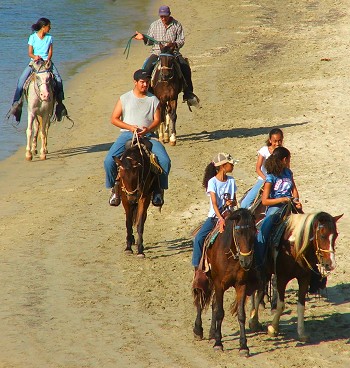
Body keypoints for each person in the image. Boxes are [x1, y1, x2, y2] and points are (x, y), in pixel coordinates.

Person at [104, 69, 171, 207]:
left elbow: (157, 120)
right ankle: (114, 189)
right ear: (135, 82)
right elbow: (114, 119)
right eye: (142, 82)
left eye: (147, 82)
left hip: (148, 136)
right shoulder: (124, 98)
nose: (145, 85)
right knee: (108, 161)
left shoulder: (153, 99)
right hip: (127, 134)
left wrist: (148, 129)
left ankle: (159, 190)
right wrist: (130, 127)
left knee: (165, 160)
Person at [133, 5, 199, 105]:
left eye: (165, 16)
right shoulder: (154, 25)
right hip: (157, 53)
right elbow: (150, 41)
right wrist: (143, 38)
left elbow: (181, 40)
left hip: (173, 53)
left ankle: (188, 93)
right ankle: (146, 94)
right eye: (161, 16)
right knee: (145, 69)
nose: (163, 18)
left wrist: (175, 44)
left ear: (169, 15)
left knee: (185, 67)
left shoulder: (177, 25)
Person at [7, 17, 68, 122]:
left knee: (58, 79)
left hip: (46, 63)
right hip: (34, 63)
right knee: (21, 81)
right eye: (49, 26)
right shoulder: (32, 37)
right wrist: (35, 57)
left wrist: (48, 60)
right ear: (43, 27)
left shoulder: (49, 37)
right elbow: (30, 52)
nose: (50, 28)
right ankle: (16, 104)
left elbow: (50, 52)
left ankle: (60, 104)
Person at [255, 146, 302, 266]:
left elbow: (294, 189)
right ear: (285, 160)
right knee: (263, 232)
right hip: (276, 208)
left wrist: (296, 200)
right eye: (289, 159)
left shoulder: (288, 172)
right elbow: (265, 201)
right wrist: (282, 199)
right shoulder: (271, 177)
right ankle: (259, 263)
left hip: (290, 205)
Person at [192, 153, 238, 271]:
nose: (232, 166)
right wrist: (221, 218)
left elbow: (235, 201)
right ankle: (198, 267)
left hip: (231, 215)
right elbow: (214, 203)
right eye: (230, 164)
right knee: (199, 238)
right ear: (223, 166)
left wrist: (231, 203)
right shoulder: (212, 182)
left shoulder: (232, 181)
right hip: (215, 217)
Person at [241, 128, 284, 209]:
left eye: (279, 141)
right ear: (270, 140)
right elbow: (258, 168)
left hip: (278, 181)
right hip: (263, 180)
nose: (277, 143)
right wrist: (266, 179)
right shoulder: (264, 150)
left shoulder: (283, 152)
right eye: (275, 141)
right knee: (244, 204)